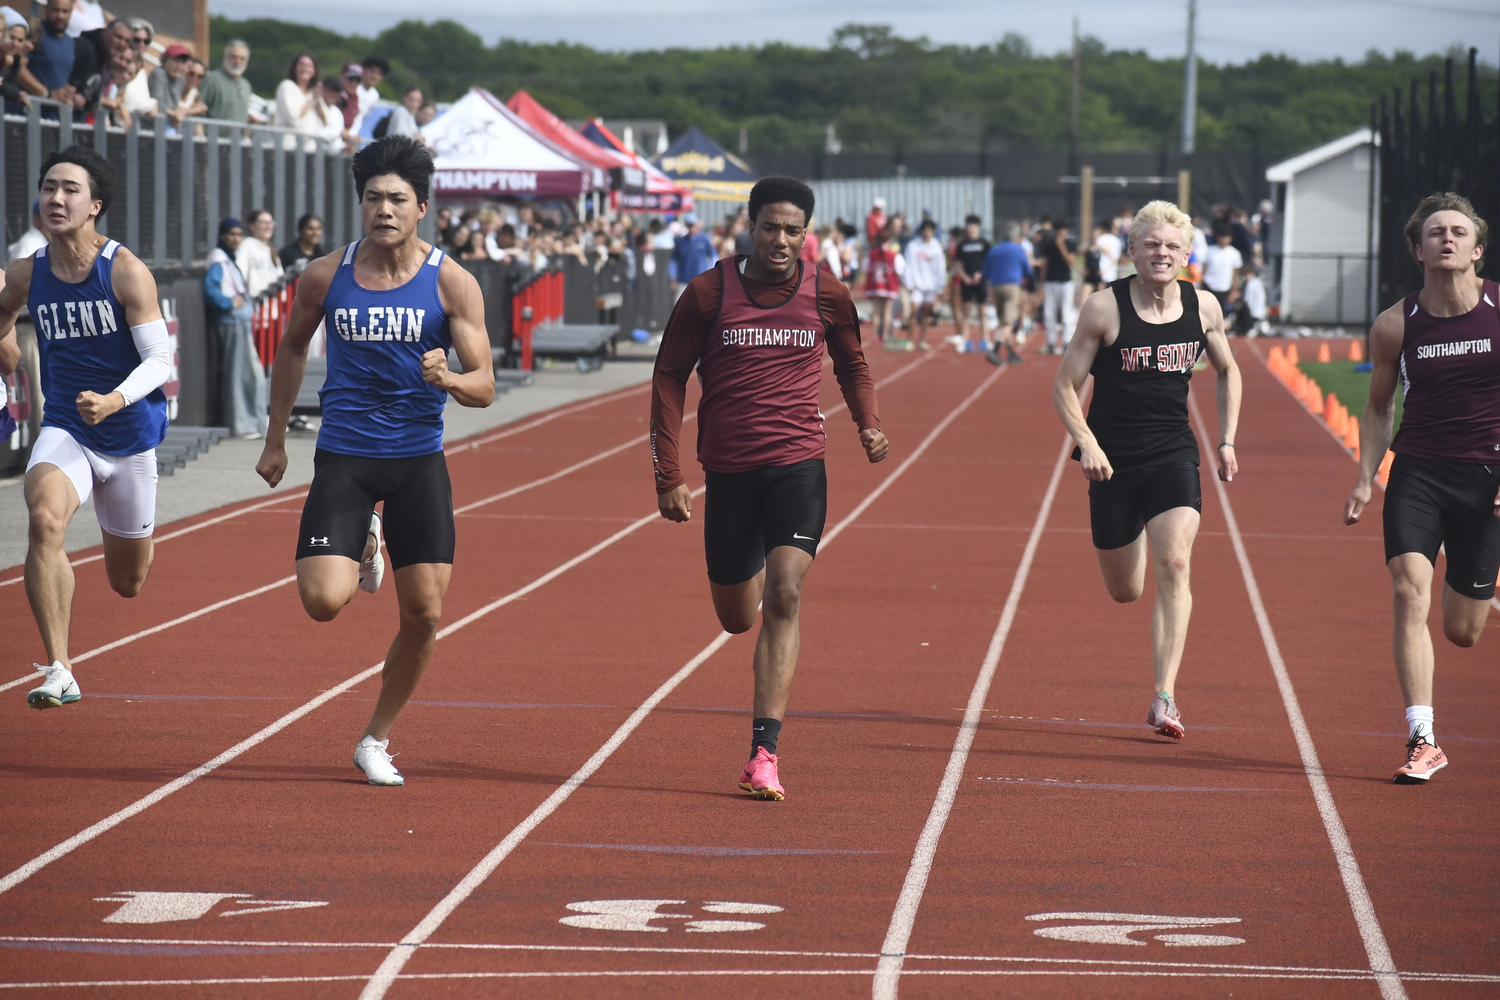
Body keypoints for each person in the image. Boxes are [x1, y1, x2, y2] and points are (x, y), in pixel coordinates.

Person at [255, 135, 495, 786]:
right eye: (372, 198)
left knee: (424, 616)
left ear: (421, 207)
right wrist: (275, 437)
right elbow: (293, 351)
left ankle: (375, 739)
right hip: (346, 458)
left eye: (396, 199)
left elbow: (486, 386)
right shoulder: (326, 275)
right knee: (323, 601)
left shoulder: (450, 281)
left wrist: (447, 379)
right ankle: (363, 538)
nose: (383, 209)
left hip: (418, 462)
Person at [650, 175, 887, 800]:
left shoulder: (826, 292)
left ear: (807, 235)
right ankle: (748, 568)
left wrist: (868, 423)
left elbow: (852, 362)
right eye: (770, 227)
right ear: (749, 226)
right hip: (728, 473)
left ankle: (764, 752)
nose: (781, 240)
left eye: (793, 230)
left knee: (785, 596)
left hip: (798, 465)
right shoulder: (707, 294)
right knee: (735, 617)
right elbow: (669, 379)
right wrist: (668, 474)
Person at [1052, 200, 1242, 740]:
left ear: (1187, 254)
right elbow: (1064, 386)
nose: (1162, 254)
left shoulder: (1203, 307)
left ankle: (1164, 697)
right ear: (1132, 250)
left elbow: (1229, 372)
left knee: (1176, 563)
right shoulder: (1103, 309)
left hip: (1173, 454)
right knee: (1126, 591)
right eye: (1152, 244)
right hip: (1110, 463)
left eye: (1172, 246)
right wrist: (1086, 443)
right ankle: (1129, 532)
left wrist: (1226, 439)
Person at [0, 146, 171, 710]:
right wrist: (6, 360)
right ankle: (60, 667)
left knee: (130, 582)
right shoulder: (28, 271)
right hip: (67, 427)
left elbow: (160, 363)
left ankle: (126, 535)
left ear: (94, 204)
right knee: (44, 519)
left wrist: (116, 399)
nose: (55, 197)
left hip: (128, 436)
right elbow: (3, 319)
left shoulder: (123, 269)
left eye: (70, 189)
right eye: (49, 186)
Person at [1343, 192, 1500, 784]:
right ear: (1418, 249)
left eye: (1459, 232)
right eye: (1436, 232)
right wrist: (1365, 475)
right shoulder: (1395, 323)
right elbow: (1379, 407)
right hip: (1419, 472)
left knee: (1463, 630)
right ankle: (1422, 738)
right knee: (1410, 591)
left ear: (1477, 249)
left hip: (1488, 478)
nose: (1448, 239)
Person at [203, 217, 266, 438]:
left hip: (240, 322)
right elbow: (211, 291)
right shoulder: (219, 260)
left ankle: (255, 422)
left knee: (253, 375)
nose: (236, 238)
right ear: (222, 236)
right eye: (231, 234)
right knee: (239, 375)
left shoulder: (228, 258)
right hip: (232, 323)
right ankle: (241, 425)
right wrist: (229, 303)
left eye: (239, 234)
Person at [981, 222, 1029, 365]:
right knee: (1009, 321)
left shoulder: (994, 249)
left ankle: (1010, 351)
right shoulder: (1019, 250)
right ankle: (995, 349)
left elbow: (985, 272)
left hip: (995, 286)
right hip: (1012, 286)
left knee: (1002, 320)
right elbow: (1028, 271)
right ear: (1015, 236)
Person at [902, 218, 946, 351]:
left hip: (931, 286)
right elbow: (908, 265)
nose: (927, 232)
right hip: (916, 285)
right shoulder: (913, 246)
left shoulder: (936, 247)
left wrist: (940, 286)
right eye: (925, 230)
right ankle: (909, 340)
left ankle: (922, 340)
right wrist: (909, 283)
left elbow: (941, 268)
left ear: (933, 232)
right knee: (914, 310)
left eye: (930, 230)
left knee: (926, 313)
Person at [273, 51, 330, 149]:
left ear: (314, 71)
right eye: (301, 65)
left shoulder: (314, 93)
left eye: (309, 66)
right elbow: (293, 117)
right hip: (287, 148)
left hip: (309, 150)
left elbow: (326, 122)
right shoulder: (287, 86)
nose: (305, 68)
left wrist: (317, 101)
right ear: (295, 68)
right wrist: (312, 101)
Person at [199, 39, 261, 124]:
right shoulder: (212, 79)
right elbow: (198, 112)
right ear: (225, 57)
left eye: (242, 59)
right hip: (213, 136)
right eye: (234, 57)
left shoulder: (246, 85)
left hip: (238, 137)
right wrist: (201, 136)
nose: (238, 62)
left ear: (247, 62)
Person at [952, 214, 990, 351]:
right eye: (969, 225)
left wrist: (981, 274)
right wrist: (964, 277)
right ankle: (965, 339)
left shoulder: (984, 243)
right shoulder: (962, 244)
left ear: (978, 227)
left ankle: (985, 339)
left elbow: (989, 261)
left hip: (980, 281)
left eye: (974, 225)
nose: (971, 228)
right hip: (966, 282)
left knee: (982, 312)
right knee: (966, 312)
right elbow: (956, 264)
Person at [1039, 220, 1077, 354]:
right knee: (1049, 313)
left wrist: (1061, 246)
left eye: (1063, 230)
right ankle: (1050, 342)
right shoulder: (1048, 245)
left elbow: (1070, 262)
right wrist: (1041, 284)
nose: (1061, 233)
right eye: (1059, 230)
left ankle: (1067, 341)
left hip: (1066, 282)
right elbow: (1045, 264)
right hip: (1050, 282)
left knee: (1067, 313)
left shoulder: (1070, 244)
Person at [864, 222, 902, 344]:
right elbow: (900, 269)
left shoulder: (871, 254)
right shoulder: (893, 255)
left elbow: (865, 268)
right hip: (889, 286)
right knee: (887, 312)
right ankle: (885, 335)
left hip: (875, 285)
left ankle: (875, 335)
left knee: (876, 312)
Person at [236, 208, 281, 300]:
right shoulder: (246, 246)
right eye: (264, 223)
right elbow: (238, 276)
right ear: (252, 226)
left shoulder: (272, 252)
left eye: (271, 223)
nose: (269, 226)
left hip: (273, 308)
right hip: (255, 306)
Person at [1201, 226, 1242, 318]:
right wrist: (1200, 287)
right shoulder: (1209, 251)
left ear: (1230, 238)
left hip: (1224, 288)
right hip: (1209, 286)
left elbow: (1235, 275)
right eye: (1221, 237)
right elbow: (1203, 270)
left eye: (1225, 237)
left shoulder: (1234, 254)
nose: (1223, 239)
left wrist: (1234, 291)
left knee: (1220, 315)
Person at [670, 213, 715, 291]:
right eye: (689, 225)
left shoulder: (704, 239)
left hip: (701, 279)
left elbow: (713, 255)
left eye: (693, 225)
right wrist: (672, 277)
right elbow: (674, 260)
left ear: (697, 225)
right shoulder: (681, 241)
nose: (691, 228)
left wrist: (713, 273)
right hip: (684, 280)